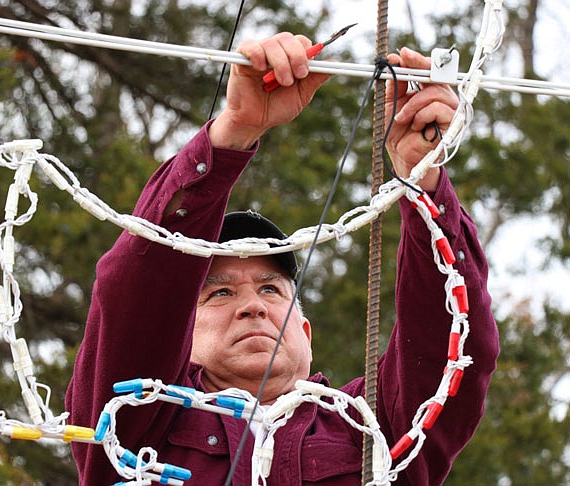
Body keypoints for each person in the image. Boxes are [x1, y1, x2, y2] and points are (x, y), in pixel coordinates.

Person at [66, 32, 499, 485]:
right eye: (220, 292)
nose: (253, 306)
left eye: (271, 289)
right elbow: (138, 291)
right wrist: (234, 129)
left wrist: (423, 179)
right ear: (180, 335)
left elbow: (451, 346)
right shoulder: (133, 419)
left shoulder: (370, 429)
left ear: (305, 334)